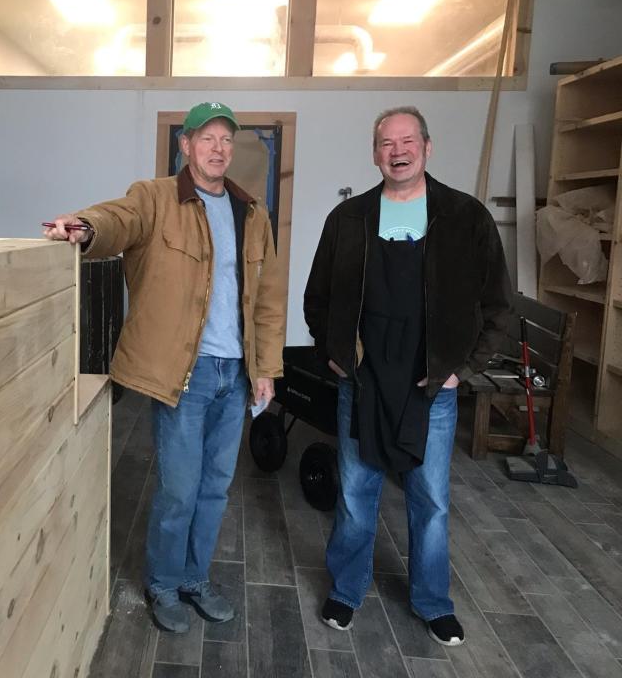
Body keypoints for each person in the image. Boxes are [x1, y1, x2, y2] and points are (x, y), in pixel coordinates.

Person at [44, 102, 286, 633]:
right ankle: (162, 582)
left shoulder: (252, 213)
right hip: (186, 371)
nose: (218, 148)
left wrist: (265, 367)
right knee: (180, 486)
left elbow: (267, 297)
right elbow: (117, 220)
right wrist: (85, 226)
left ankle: (195, 578)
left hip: (235, 372)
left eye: (226, 140)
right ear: (186, 145)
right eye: (206, 138)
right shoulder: (154, 198)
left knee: (216, 487)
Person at [303, 106, 512, 647]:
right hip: (363, 383)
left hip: (431, 389)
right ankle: (346, 590)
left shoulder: (466, 218)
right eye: (385, 143)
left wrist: (461, 371)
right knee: (355, 491)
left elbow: (498, 307)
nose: (397, 150)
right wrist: (334, 352)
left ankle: (432, 602)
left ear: (426, 146)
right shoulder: (347, 220)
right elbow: (317, 297)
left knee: (431, 500)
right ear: (375, 154)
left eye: (406, 140)